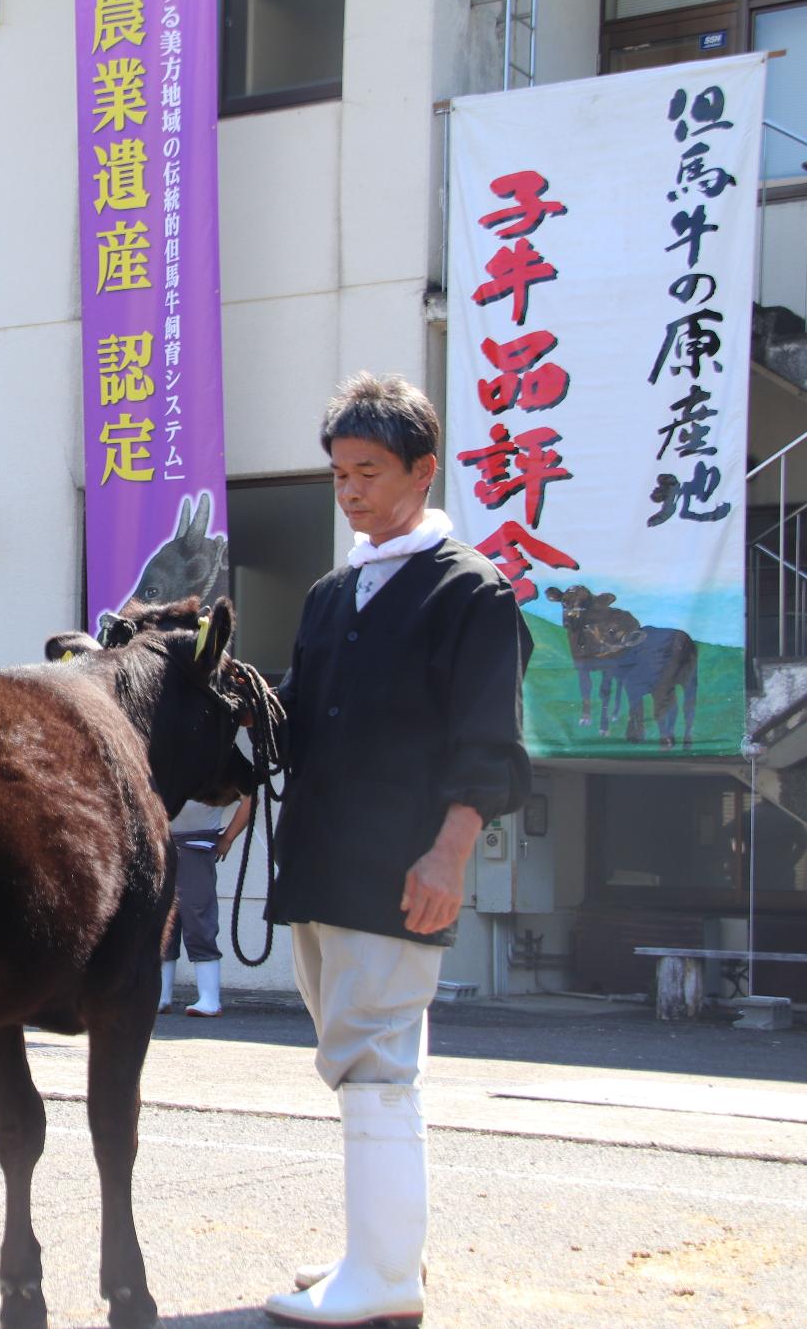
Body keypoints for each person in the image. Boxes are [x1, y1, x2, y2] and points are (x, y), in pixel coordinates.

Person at [261, 374, 531, 1327]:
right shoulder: (336, 592)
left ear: (423, 469)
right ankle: (378, 1259)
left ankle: (382, 1280)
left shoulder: (469, 589)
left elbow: (487, 740)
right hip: (323, 861)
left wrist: (450, 854)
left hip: (398, 866)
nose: (350, 492)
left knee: (375, 1062)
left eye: (368, 471)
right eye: (338, 474)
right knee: (363, 1059)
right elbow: (296, 715)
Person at [161, 795, 253, 1017]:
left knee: (198, 917)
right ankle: (160, 996)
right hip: (160, 843)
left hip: (197, 845)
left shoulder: (215, 761)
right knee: (161, 923)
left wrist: (228, 838)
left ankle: (210, 998)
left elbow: (250, 798)